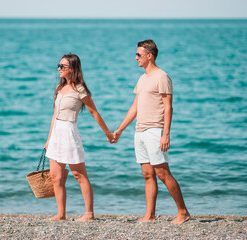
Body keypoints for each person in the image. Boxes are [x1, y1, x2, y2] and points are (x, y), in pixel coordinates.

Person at [113, 40, 190, 224]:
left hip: (155, 131)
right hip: (139, 131)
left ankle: (183, 212)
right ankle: (150, 215)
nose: (135, 58)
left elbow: (168, 107)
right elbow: (135, 107)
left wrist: (166, 134)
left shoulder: (162, 76)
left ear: (150, 56)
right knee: (147, 175)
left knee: (163, 173)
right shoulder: (142, 79)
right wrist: (120, 130)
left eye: (139, 54)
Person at [45, 54, 114, 221]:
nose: (59, 69)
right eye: (59, 65)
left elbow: (93, 111)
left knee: (79, 175)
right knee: (56, 176)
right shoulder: (59, 88)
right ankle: (61, 214)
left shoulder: (80, 89)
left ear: (73, 69)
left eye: (63, 66)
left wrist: (108, 133)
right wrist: (48, 139)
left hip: (69, 132)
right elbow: (54, 115)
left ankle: (89, 214)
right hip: (56, 133)